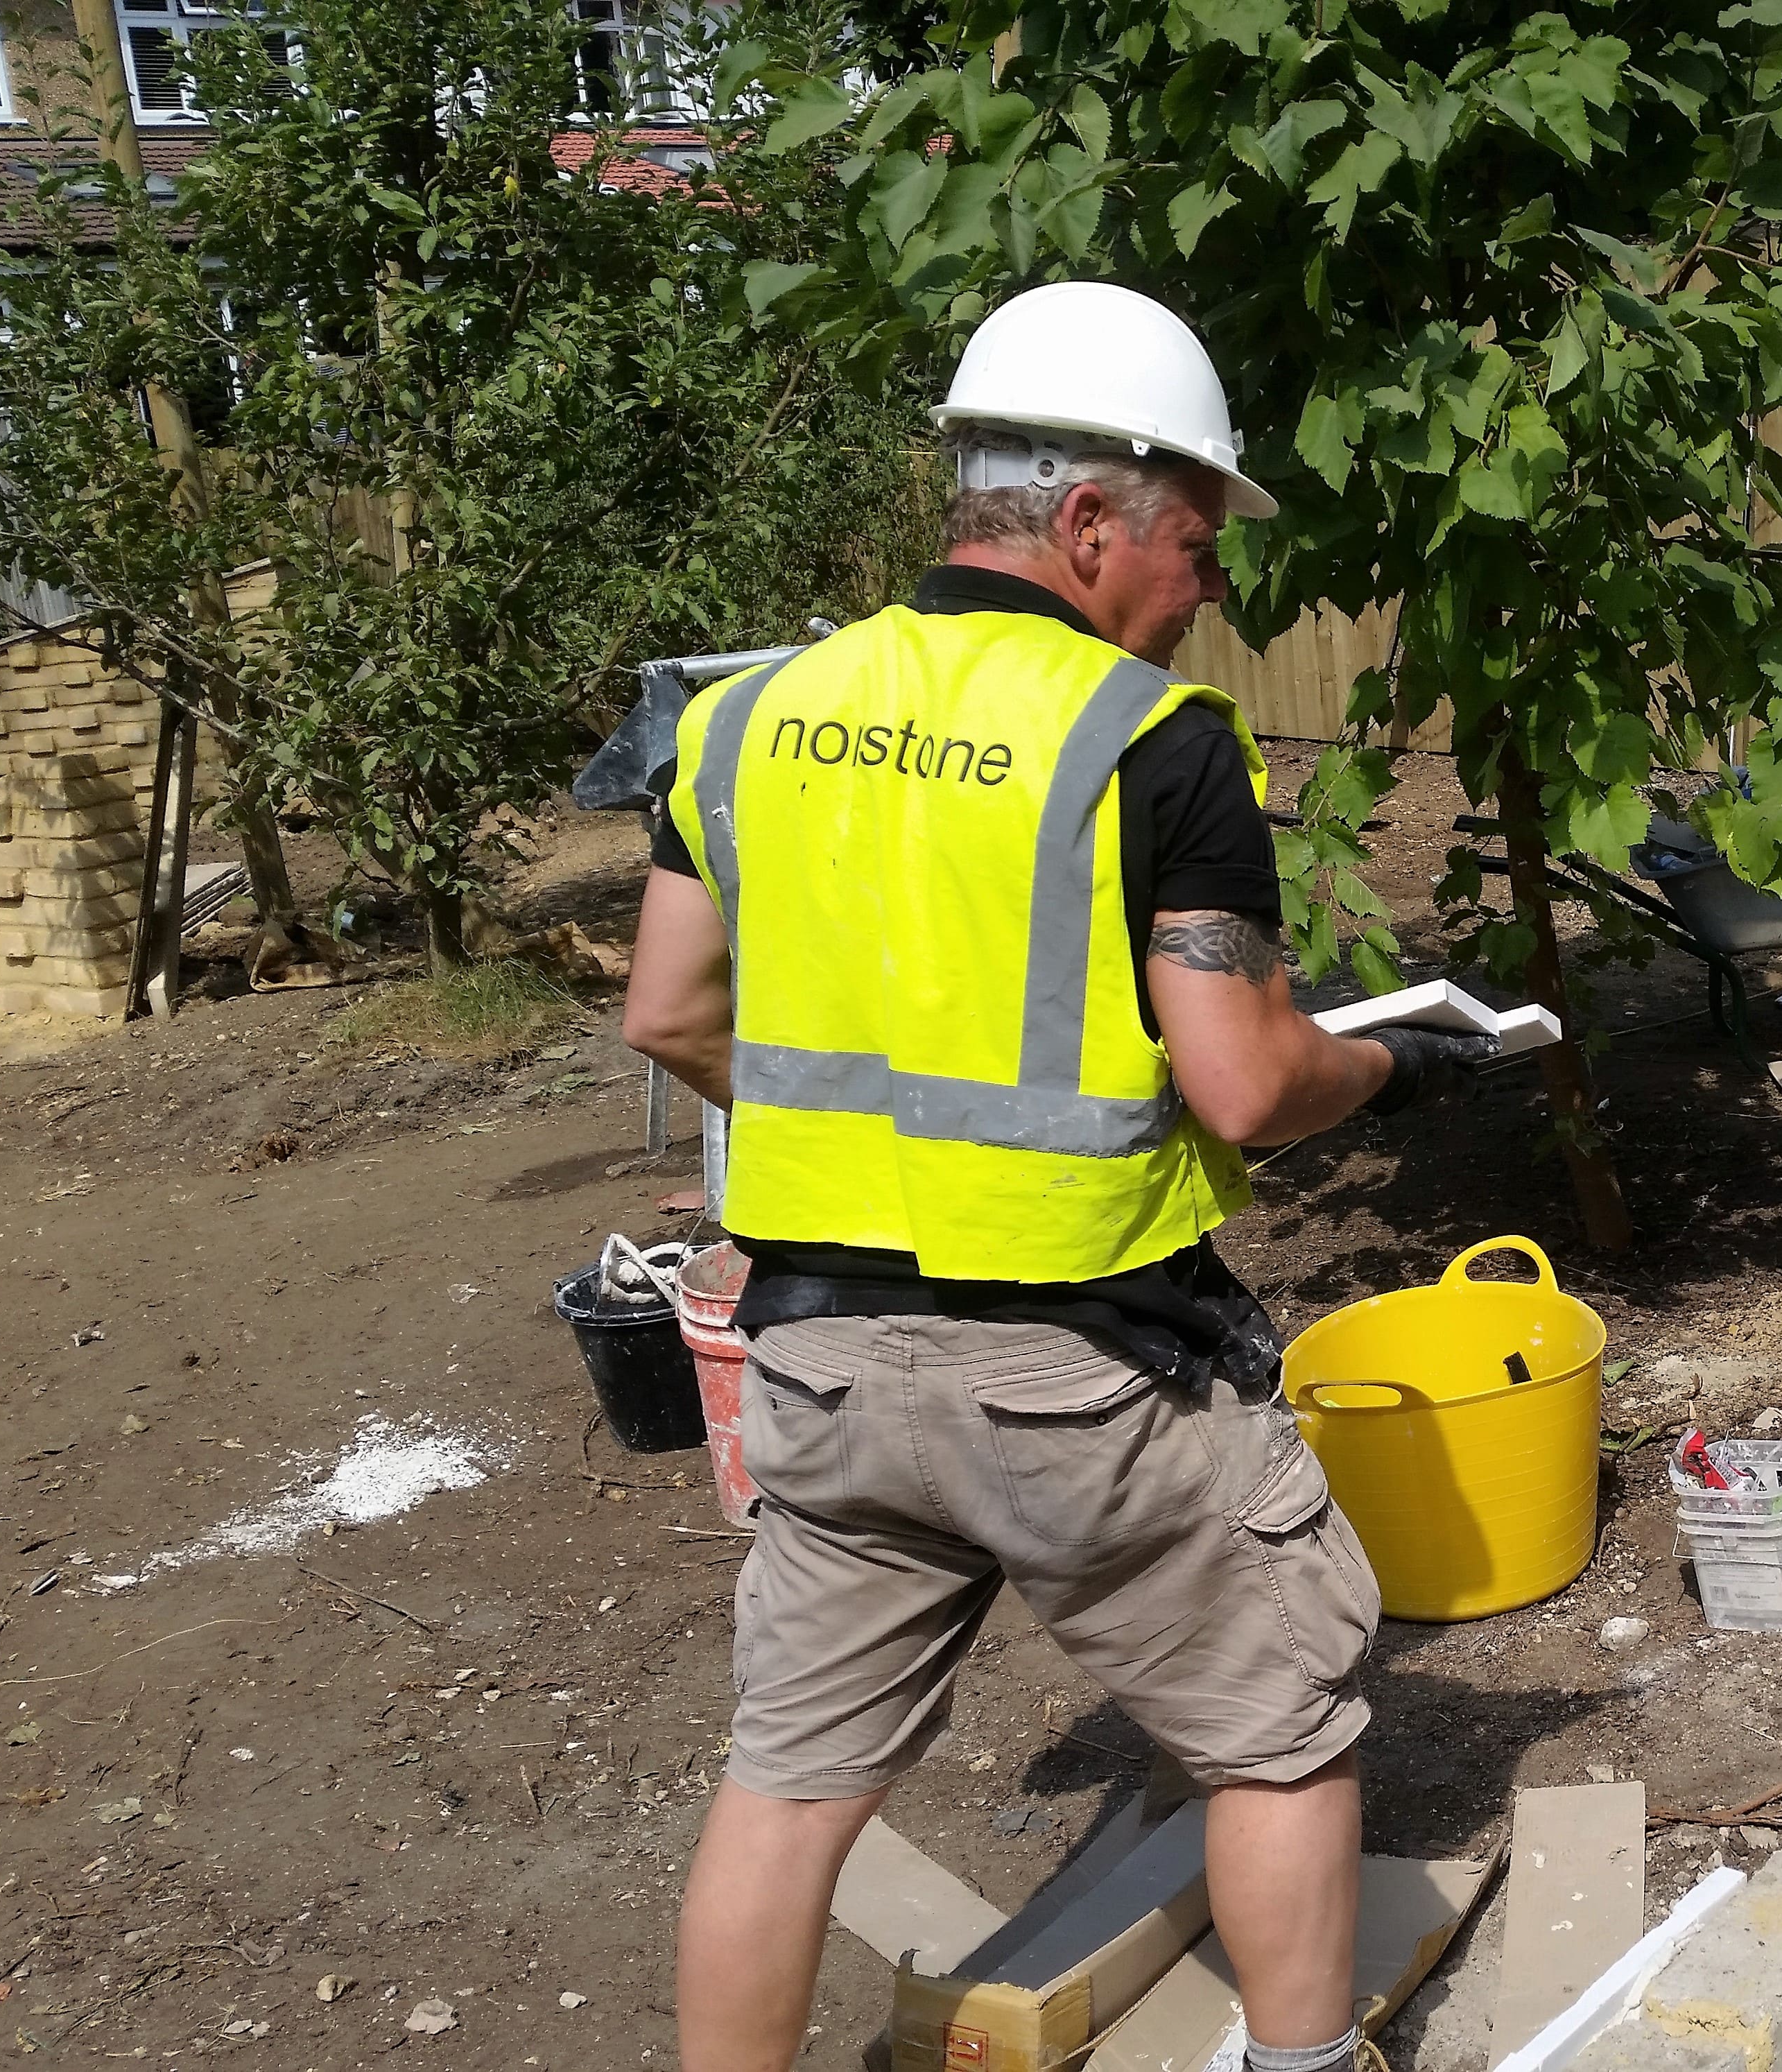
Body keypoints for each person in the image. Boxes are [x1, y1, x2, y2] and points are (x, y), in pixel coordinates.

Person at [622, 280, 1493, 2072]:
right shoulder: (1151, 743)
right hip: (1092, 1378)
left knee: (787, 1788)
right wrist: (1406, 1062)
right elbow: (1246, 1083)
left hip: (820, 1367)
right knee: (1282, 1732)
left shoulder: (745, 720)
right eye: (1194, 542)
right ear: (1090, 520)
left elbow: (669, 1009)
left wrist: (857, 1136)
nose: (1209, 588)